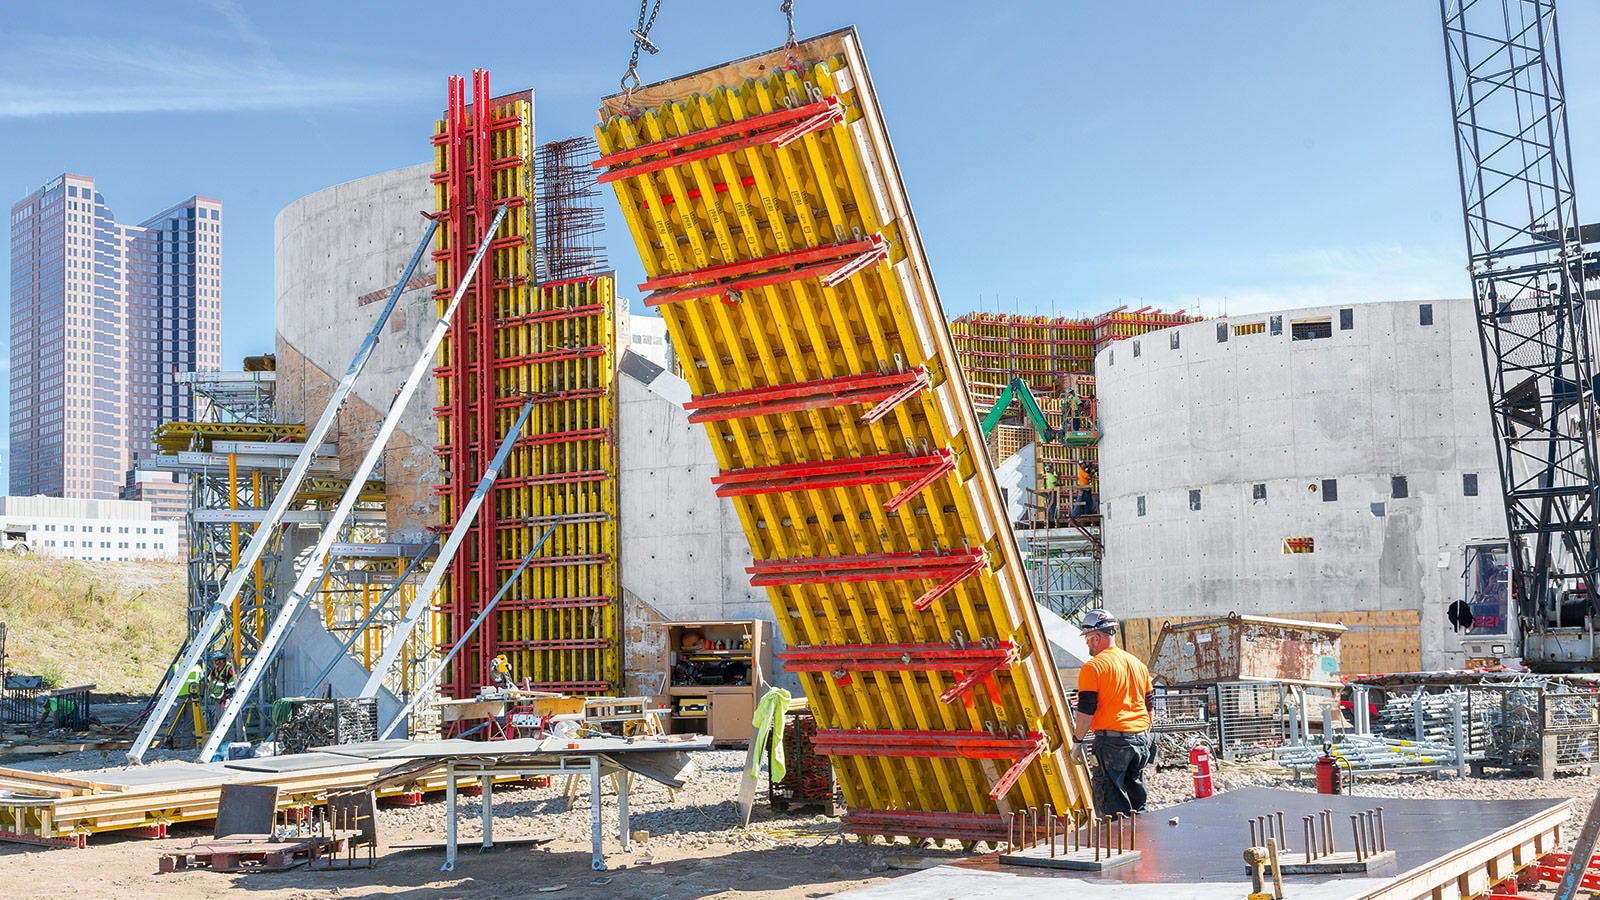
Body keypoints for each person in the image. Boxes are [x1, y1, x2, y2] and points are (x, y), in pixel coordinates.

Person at [1071, 609, 1155, 816]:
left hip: (1112, 743)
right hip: (1141, 740)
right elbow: (1149, 706)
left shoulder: (1094, 667)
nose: (1087, 644)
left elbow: (1086, 710)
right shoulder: (1138, 664)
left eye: (1088, 639)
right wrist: (1141, 734)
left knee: (1111, 806)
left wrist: (1078, 740)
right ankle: (1142, 843)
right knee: (1137, 801)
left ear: (1097, 637)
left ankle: (1118, 846)